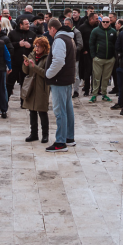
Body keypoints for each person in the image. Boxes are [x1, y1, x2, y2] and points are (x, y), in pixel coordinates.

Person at [45, 18, 76, 152]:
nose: (49, 33)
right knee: (68, 110)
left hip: (59, 80)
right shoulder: (69, 38)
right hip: (67, 79)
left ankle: (60, 142)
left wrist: (48, 74)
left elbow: (58, 61)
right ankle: (69, 137)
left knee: (60, 111)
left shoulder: (59, 40)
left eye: (49, 30)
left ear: (53, 29)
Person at [21, 36, 51, 143]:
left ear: (44, 47)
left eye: (39, 46)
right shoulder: (31, 55)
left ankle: (45, 135)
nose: (36, 48)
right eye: (35, 46)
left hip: (42, 88)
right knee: (32, 111)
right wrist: (25, 65)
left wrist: (34, 67)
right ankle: (34, 134)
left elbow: (46, 74)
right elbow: (25, 71)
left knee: (42, 112)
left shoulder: (48, 58)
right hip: (31, 87)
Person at [89, 15, 117, 102]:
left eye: (107, 22)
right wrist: (93, 56)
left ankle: (104, 94)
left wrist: (114, 56)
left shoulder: (113, 31)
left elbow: (116, 44)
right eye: (103, 22)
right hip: (98, 58)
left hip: (110, 59)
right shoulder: (95, 31)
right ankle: (94, 94)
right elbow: (91, 43)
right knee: (96, 77)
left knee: (106, 78)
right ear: (101, 22)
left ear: (109, 22)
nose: (105, 23)